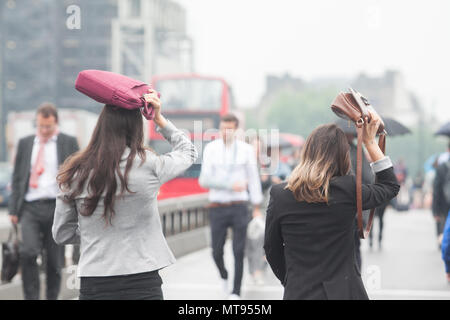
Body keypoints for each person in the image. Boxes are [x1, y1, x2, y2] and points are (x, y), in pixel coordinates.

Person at [52, 89, 198, 300]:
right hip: (143, 281)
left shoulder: (75, 172)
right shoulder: (149, 165)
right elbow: (188, 151)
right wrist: (159, 118)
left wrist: (95, 234)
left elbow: (61, 233)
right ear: (135, 128)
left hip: (96, 282)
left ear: (100, 127)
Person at [264, 113, 400, 300]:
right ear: (342, 156)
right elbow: (390, 186)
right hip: (345, 292)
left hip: (299, 292)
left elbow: (271, 248)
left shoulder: (281, 195)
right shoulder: (348, 189)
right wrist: (369, 142)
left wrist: (290, 279)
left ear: (307, 151)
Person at [8, 103, 79, 300]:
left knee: (54, 261)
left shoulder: (68, 142)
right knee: (28, 253)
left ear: (55, 123)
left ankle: (51, 297)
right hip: (30, 207)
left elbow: (77, 176)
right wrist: (13, 209)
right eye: (40, 126)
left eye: (48, 126)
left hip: (57, 208)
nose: (44, 130)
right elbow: (17, 177)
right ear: (36, 124)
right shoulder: (25, 143)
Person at [199, 113, 263, 300]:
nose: (226, 132)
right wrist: (229, 185)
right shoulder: (211, 149)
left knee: (238, 250)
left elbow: (253, 180)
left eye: (230, 129)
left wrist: (257, 205)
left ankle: (236, 291)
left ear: (236, 130)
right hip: (217, 205)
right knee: (216, 251)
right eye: (223, 128)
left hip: (239, 206)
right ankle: (224, 275)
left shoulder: (246, 150)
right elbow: (204, 180)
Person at [432, 152, 450, 249]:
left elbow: (436, 190)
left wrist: (435, 210)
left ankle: (442, 243)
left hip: (444, 204)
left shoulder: (441, 168)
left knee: (443, 226)